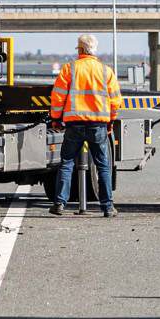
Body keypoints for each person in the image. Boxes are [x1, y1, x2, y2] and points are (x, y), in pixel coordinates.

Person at [49, 34, 123, 216]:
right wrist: (111, 121)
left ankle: (59, 204)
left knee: (66, 163)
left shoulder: (69, 69)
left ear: (80, 50)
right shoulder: (106, 71)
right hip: (98, 125)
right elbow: (115, 101)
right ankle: (107, 207)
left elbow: (58, 96)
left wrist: (56, 118)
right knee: (103, 165)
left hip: (74, 125)